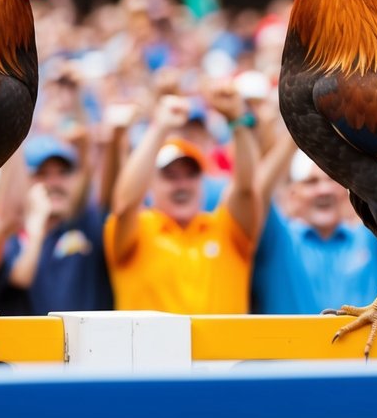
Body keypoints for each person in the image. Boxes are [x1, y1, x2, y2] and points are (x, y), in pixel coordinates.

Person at [106, 87, 263, 314]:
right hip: (152, 351)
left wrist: (237, 120)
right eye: (170, 176)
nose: (182, 185)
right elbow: (124, 205)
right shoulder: (139, 230)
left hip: (226, 351)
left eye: (191, 175)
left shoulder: (225, 229)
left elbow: (247, 188)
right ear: (150, 185)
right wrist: (160, 127)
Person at [250, 143, 377, 315]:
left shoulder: (373, 240)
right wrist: (291, 137)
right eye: (311, 182)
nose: (324, 190)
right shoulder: (277, 240)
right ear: (292, 195)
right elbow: (256, 196)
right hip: (290, 342)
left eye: (333, 180)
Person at [4, 135, 113, 314]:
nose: (55, 183)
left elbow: (111, 197)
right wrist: (37, 226)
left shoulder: (87, 223)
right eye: (42, 174)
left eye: (63, 173)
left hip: (88, 340)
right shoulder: (10, 233)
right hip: (38, 340)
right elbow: (20, 278)